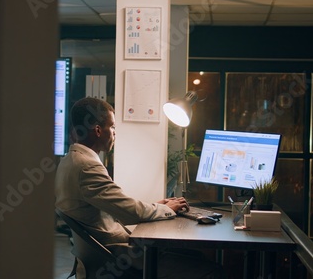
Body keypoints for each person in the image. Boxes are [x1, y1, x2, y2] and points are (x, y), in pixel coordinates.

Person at [55, 97, 223, 278]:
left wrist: (158, 205)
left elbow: (114, 206)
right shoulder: (87, 166)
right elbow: (131, 212)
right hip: (116, 256)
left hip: (103, 252)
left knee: (194, 255)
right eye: (112, 127)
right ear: (97, 130)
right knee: (212, 269)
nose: (114, 133)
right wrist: (166, 209)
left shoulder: (70, 161)